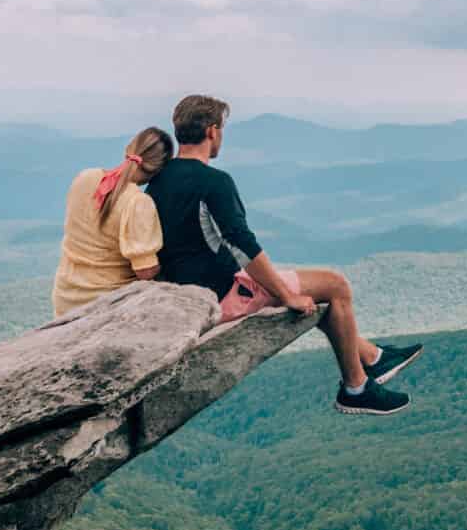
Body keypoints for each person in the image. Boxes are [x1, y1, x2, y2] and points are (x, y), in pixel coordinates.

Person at [147, 93, 422, 415]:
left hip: (194, 288)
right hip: (223, 293)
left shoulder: (158, 181)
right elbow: (242, 243)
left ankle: (371, 356)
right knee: (335, 285)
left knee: (316, 293)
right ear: (212, 131)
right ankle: (356, 388)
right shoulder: (214, 181)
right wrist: (285, 295)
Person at [51, 126, 174, 318]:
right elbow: (145, 272)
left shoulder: (85, 178)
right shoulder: (138, 203)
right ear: (160, 170)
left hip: (66, 297)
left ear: (128, 149)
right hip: (106, 304)